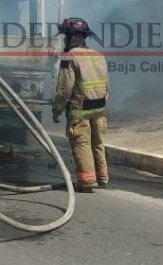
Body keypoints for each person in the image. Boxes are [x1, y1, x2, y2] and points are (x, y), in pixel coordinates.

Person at [51, 17, 110, 193]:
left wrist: (57, 109)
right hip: (99, 108)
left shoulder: (70, 57)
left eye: (65, 37)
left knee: (82, 142)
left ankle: (86, 182)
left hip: (79, 110)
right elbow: (107, 85)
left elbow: (65, 88)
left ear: (69, 37)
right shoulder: (99, 56)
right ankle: (102, 178)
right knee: (98, 142)